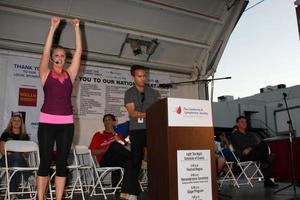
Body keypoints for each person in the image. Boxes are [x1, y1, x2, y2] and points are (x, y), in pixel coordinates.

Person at [36, 16, 82, 200]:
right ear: (52, 59)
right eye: (57, 56)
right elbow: (45, 52)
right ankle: (40, 198)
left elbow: (78, 53)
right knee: (45, 162)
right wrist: (53, 27)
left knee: (62, 163)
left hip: (66, 124)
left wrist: (77, 28)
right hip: (47, 122)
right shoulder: (45, 73)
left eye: (63, 56)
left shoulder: (70, 74)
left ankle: (58, 198)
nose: (60, 58)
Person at [120, 65, 160, 200]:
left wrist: (151, 115)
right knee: (135, 160)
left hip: (153, 129)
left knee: (156, 159)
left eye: (144, 76)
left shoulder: (154, 93)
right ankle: (132, 192)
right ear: (133, 77)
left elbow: (159, 111)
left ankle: (158, 189)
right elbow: (132, 113)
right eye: (139, 76)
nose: (143, 78)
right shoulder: (129, 93)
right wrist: (149, 113)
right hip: (137, 130)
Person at [230, 116, 278, 187]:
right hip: (244, 156)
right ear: (237, 124)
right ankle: (268, 178)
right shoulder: (235, 135)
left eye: (245, 122)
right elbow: (243, 144)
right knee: (266, 158)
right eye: (242, 122)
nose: (244, 123)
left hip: (253, 153)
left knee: (263, 144)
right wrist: (252, 146)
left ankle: (266, 163)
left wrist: (250, 148)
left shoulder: (250, 134)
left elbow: (256, 143)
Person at [89, 114, 130, 186]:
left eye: (109, 120)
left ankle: (120, 188)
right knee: (114, 145)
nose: (107, 122)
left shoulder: (118, 135)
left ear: (114, 122)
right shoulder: (98, 134)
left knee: (129, 163)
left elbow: (123, 144)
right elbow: (93, 152)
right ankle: (134, 157)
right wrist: (106, 150)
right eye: (105, 120)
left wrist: (114, 133)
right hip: (105, 161)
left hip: (117, 160)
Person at [0, 112, 30, 193]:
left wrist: (18, 155)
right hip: (6, 160)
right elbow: (2, 151)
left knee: (16, 165)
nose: (16, 122)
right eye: (14, 120)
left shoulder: (25, 136)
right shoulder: (5, 134)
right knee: (17, 157)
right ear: (11, 122)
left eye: (18, 121)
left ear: (21, 123)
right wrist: (16, 154)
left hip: (18, 162)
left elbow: (26, 153)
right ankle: (30, 176)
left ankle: (12, 194)